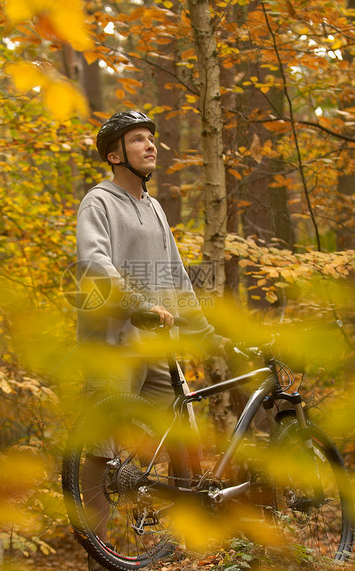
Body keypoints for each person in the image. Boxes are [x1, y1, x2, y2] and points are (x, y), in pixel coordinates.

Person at [74, 110, 226, 571]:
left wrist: (203, 331)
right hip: (113, 342)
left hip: (156, 347)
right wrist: (138, 302)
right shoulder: (98, 202)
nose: (151, 146)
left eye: (151, 139)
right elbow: (94, 263)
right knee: (101, 450)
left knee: (182, 437)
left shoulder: (155, 207)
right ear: (115, 154)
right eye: (138, 140)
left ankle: (188, 550)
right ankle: (98, 556)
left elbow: (176, 278)